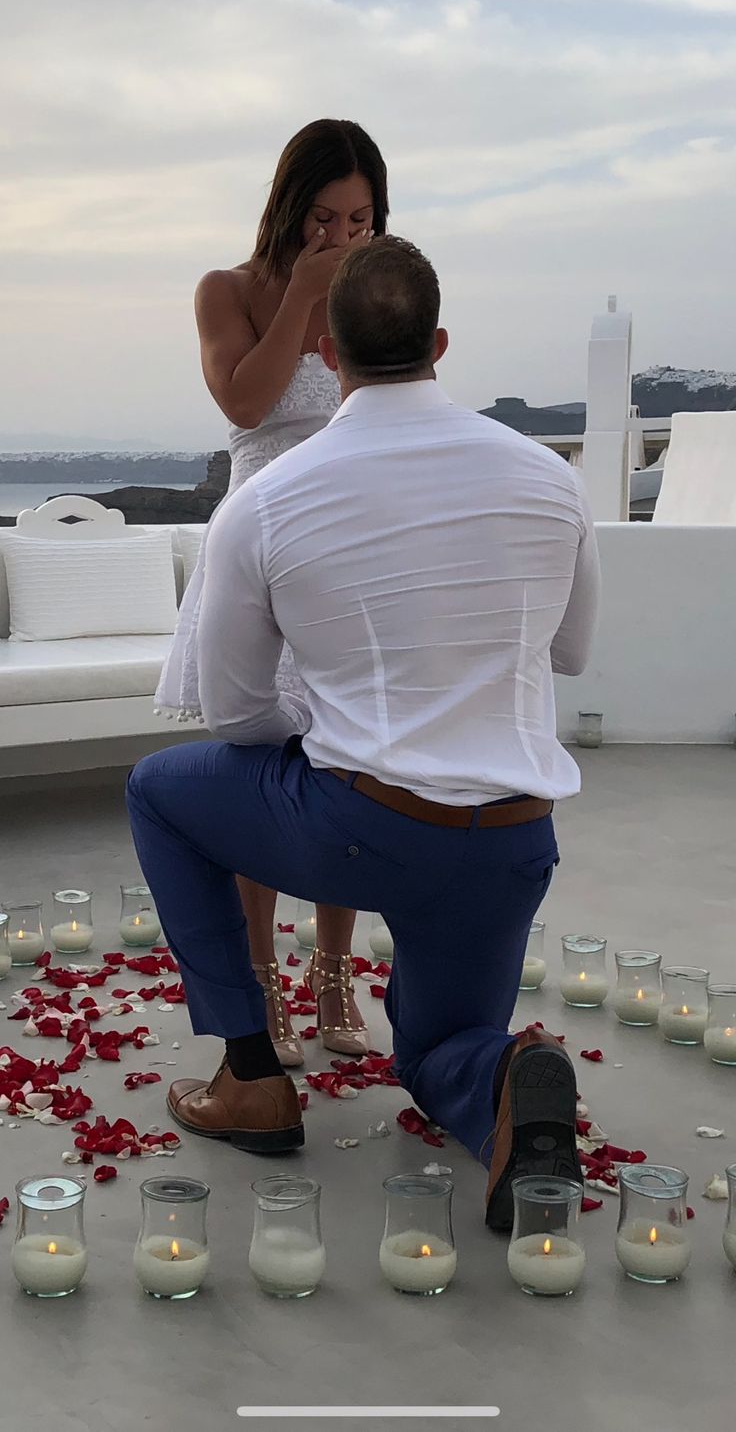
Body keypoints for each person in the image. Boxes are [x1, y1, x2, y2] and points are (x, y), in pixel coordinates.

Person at [128, 236, 601, 1231]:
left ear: (327, 354)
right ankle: (508, 1075)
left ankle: (252, 1072)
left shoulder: (263, 502)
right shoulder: (548, 481)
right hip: (513, 838)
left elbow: (236, 714)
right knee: (432, 1054)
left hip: (361, 832)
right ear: (438, 342)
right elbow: (569, 653)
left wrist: (321, 733)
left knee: (161, 791)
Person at [156, 119, 391, 1067]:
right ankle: (260, 978)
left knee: (344, 757)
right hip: (256, 538)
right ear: (290, 211)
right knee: (260, 760)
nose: (342, 237)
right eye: (327, 217)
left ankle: (332, 971)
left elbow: (391, 405)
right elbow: (245, 404)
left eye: (362, 218)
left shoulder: (380, 293)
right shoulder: (231, 290)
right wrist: (301, 295)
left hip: (345, 542)